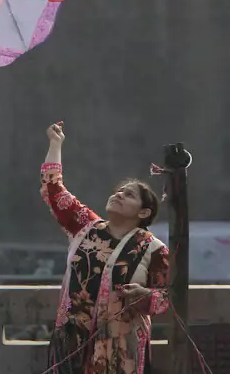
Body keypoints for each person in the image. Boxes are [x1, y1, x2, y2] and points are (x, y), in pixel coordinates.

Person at [41, 122, 170, 374]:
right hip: (71, 342)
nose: (119, 194)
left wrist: (143, 295)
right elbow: (53, 190)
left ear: (143, 212)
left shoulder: (153, 249)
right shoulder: (85, 226)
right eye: (119, 191)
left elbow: (166, 298)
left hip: (120, 351)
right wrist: (55, 145)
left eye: (129, 195)